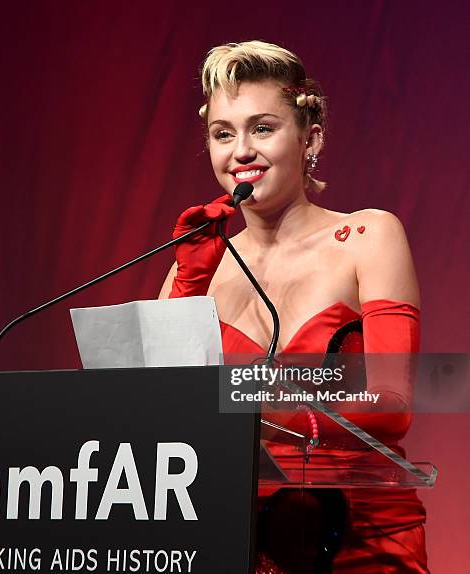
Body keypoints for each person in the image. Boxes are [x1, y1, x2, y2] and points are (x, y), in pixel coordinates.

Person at [159, 41, 427, 573]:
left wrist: (233, 399)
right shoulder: (198, 265)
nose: (240, 151)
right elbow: (157, 413)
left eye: (262, 128)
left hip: (359, 538)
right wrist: (188, 283)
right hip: (233, 535)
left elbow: (389, 404)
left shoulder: (368, 235)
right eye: (222, 133)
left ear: (310, 138)